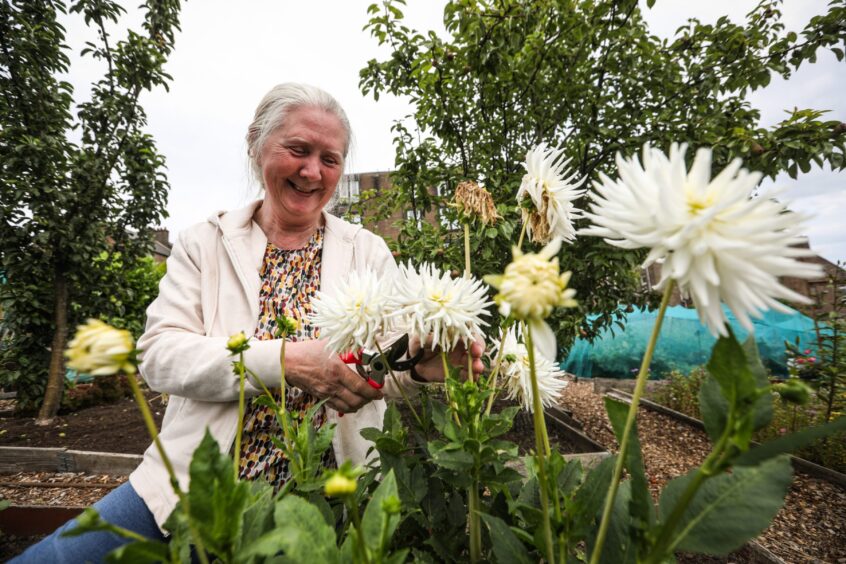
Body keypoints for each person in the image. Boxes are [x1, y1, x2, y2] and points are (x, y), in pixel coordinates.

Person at [14, 83, 484, 562]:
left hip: (326, 500)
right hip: (193, 491)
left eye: (330, 158)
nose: (312, 171)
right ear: (256, 144)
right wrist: (284, 361)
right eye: (298, 150)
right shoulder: (205, 244)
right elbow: (159, 356)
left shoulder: (367, 252)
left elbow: (382, 370)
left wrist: (421, 370)